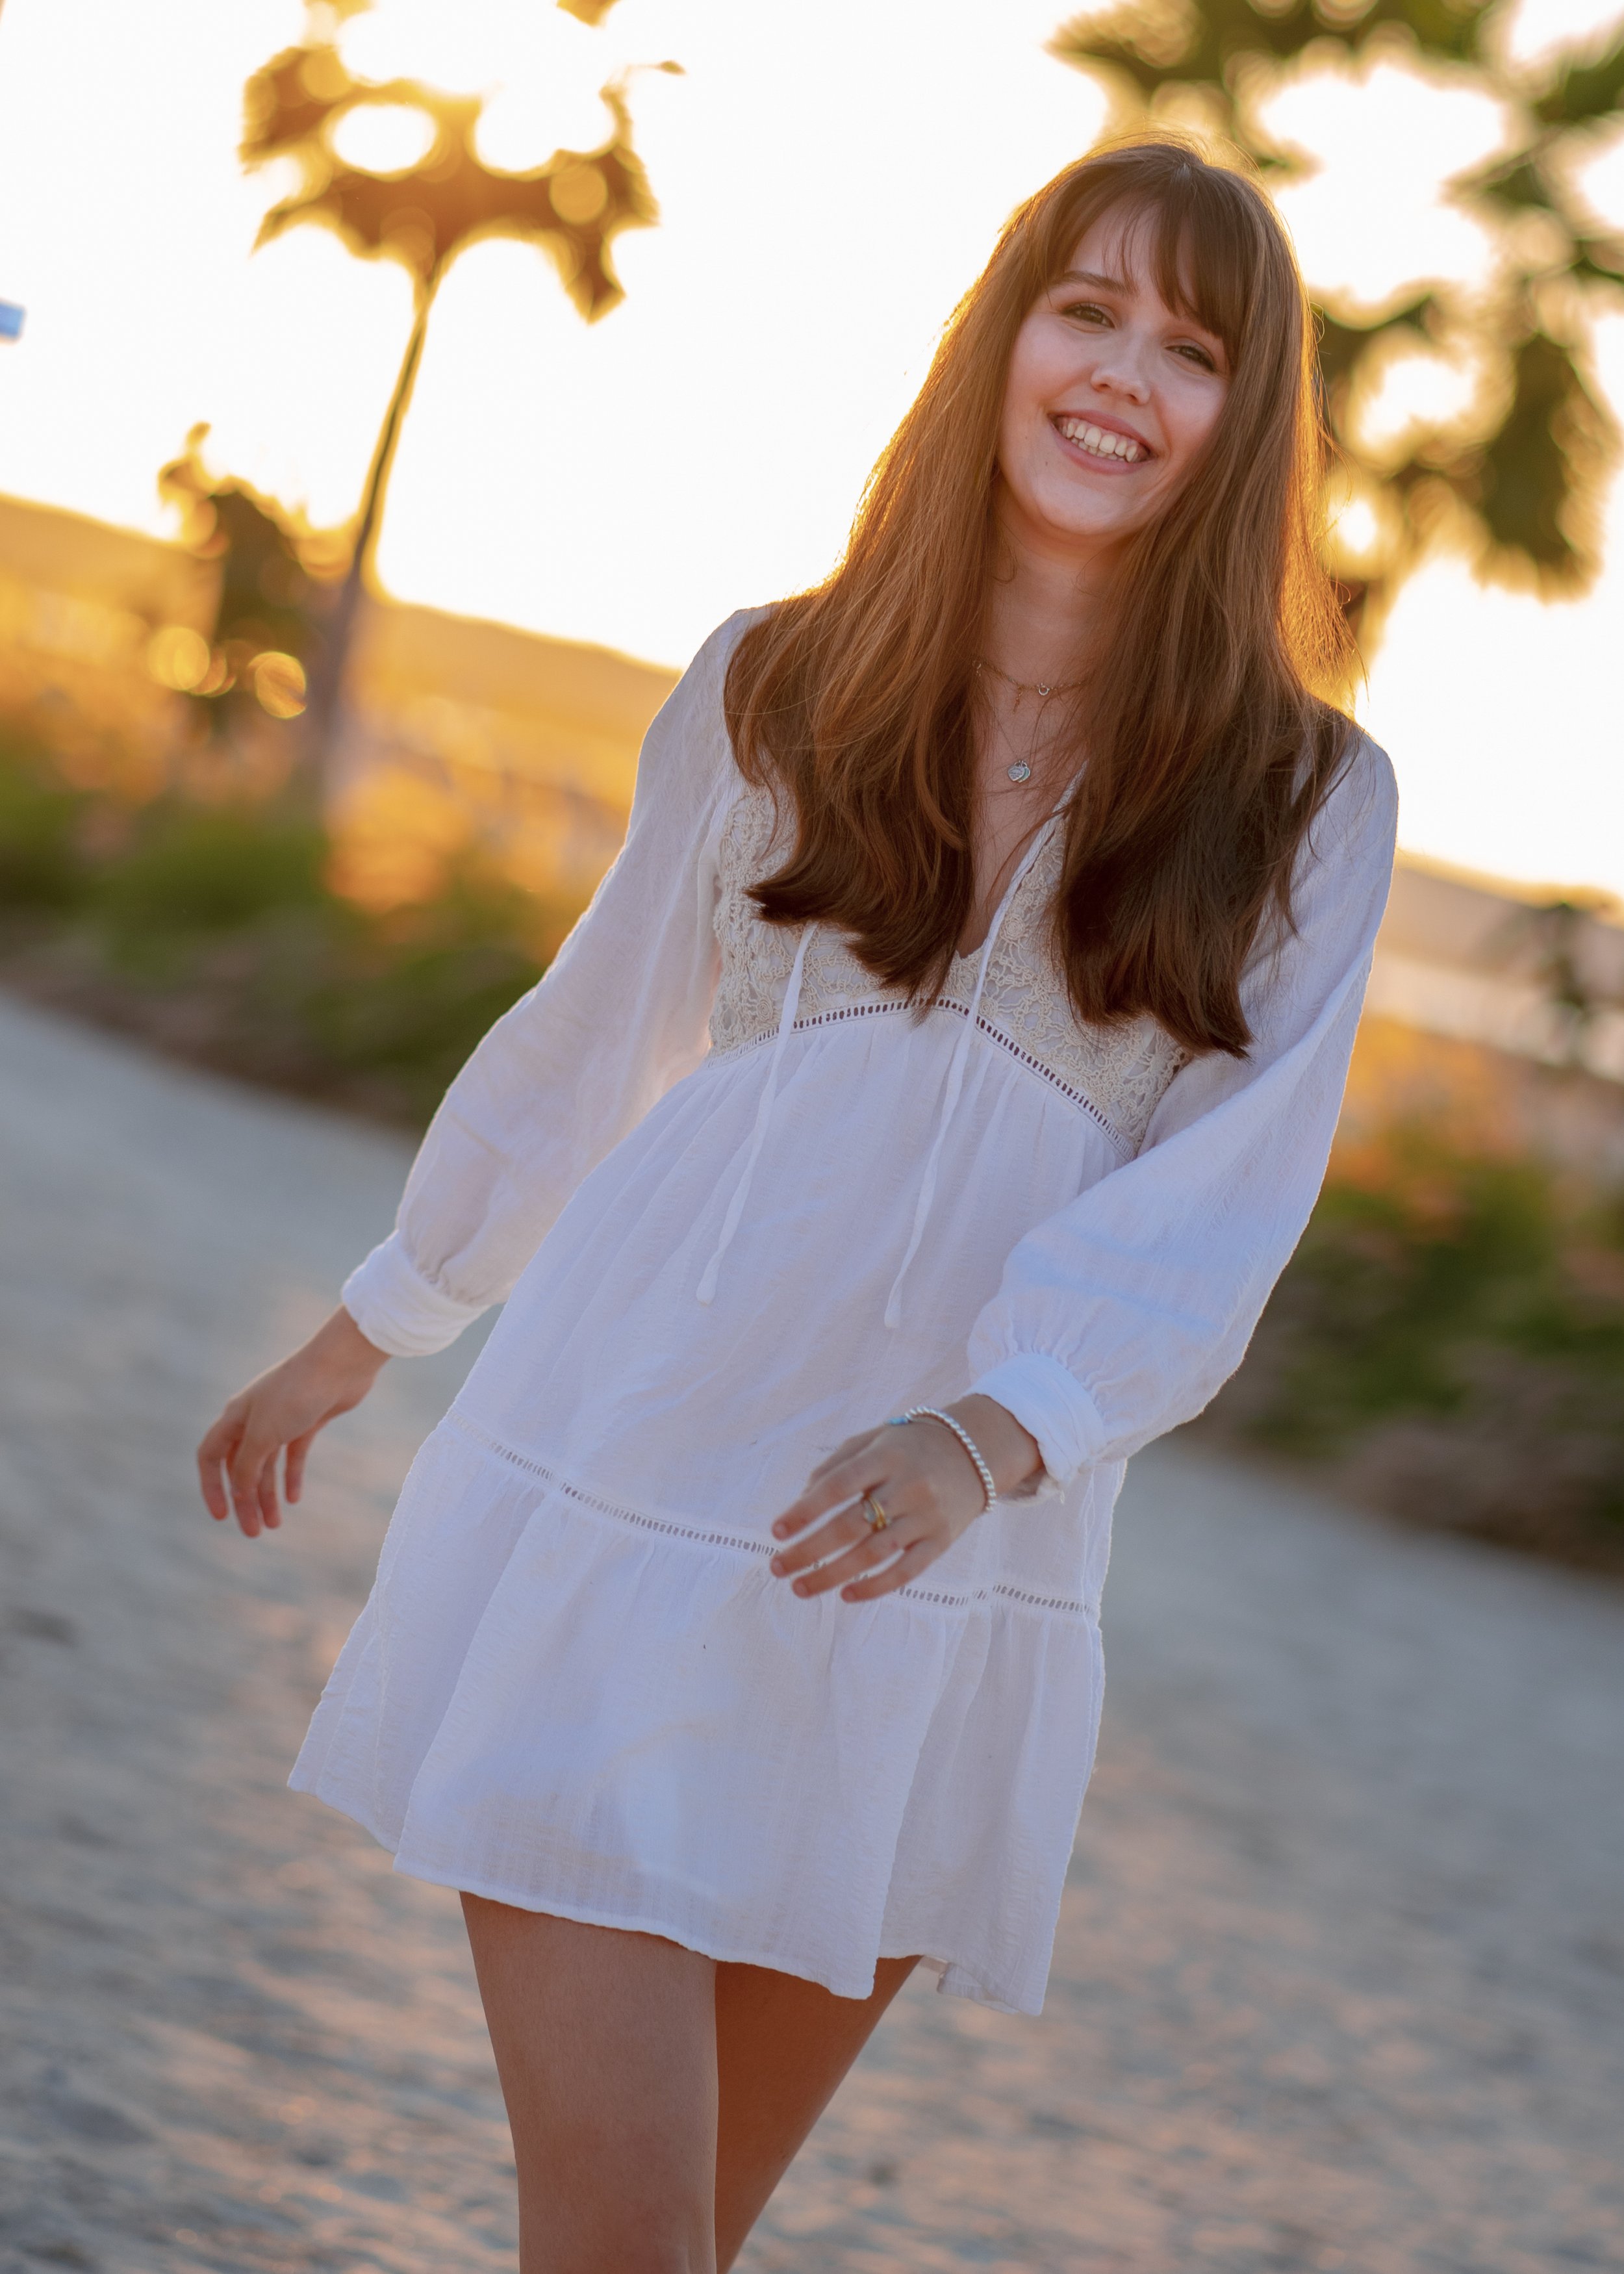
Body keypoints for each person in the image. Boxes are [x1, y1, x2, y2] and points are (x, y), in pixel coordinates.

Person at [197, 136, 1397, 2272]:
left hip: (922, 1577)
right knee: (627, 2242)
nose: (1123, 374)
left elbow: (1231, 1201)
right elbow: (589, 1047)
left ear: (1244, 419)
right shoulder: (775, 675)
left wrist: (988, 1431)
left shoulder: (1305, 798)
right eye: (1084, 309)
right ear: (1001, 338)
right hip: (621, 1476)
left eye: (1191, 347)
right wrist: (365, 1323)